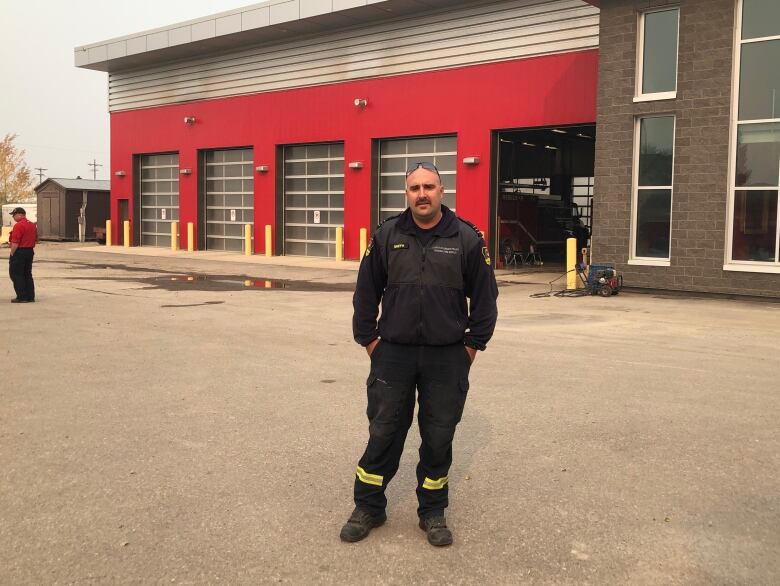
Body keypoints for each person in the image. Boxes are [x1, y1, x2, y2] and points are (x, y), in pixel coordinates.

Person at [341, 161, 498, 547]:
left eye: (429, 187)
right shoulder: (386, 235)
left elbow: (486, 299)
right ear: (406, 194)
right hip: (392, 354)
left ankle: (432, 511)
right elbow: (366, 293)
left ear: (442, 192)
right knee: (384, 431)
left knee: (438, 436)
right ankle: (368, 507)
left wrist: (471, 347)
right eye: (415, 188)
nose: (422, 194)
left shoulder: (466, 238)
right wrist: (370, 341)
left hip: (447, 357)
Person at [8, 207, 37, 303]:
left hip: (20, 252)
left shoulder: (18, 226)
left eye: (14, 215)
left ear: (20, 214)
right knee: (27, 273)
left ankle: (22, 297)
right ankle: (30, 296)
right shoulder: (32, 225)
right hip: (29, 251)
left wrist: (12, 253)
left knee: (16, 274)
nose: (13, 217)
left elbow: (15, 242)